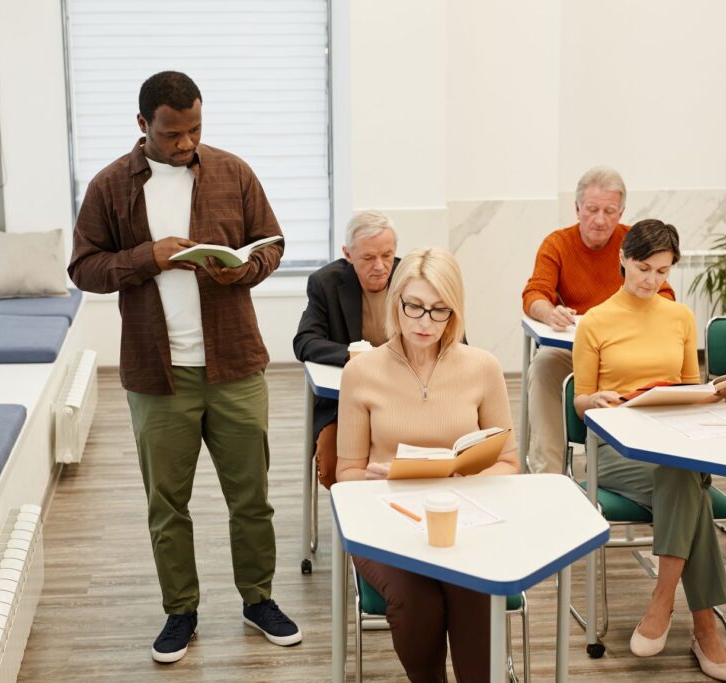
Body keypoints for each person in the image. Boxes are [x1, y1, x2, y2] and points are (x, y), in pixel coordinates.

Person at [67, 71, 300, 664]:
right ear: (144, 126)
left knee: (251, 496)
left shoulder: (233, 172)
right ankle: (181, 611)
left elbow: (271, 242)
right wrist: (147, 258)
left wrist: (241, 270)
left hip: (235, 366)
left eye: (195, 128)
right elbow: (84, 269)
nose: (186, 143)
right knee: (166, 503)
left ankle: (258, 600)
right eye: (173, 133)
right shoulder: (109, 187)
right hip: (156, 372)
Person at [336, 247, 518, 682]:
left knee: (476, 587)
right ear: (396, 301)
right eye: (414, 307)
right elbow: (345, 474)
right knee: (417, 602)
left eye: (439, 311)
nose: (425, 322)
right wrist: (377, 481)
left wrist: (453, 475)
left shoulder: (483, 367)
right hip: (386, 520)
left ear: (455, 312)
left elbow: (509, 462)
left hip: (462, 517)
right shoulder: (362, 372)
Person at [573, 220, 726, 682]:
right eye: (644, 268)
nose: (652, 280)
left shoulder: (680, 316)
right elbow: (580, 402)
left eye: (662, 271)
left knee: (678, 473)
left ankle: (662, 601)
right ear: (623, 258)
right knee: (689, 488)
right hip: (614, 448)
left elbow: (688, 387)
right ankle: (703, 628)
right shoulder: (596, 321)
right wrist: (595, 401)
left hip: (672, 443)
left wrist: (712, 393)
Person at [522, 166, 675, 474]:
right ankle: (549, 473)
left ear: (621, 212)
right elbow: (534, 294)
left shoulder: (633, 243)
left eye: (610, 210)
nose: (600, 219)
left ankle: (641, 464)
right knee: (543, 365)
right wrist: (549, 312)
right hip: (572, 349)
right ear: (577, 209)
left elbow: (667, 296)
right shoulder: (558, 244)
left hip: (625, 350)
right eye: (592, 209)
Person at [292, 210, 399, 488]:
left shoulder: (411, 277)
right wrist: (359, 357)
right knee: (332, 469)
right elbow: (305, 341)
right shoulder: (325, 283)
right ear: (348, 254)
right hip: (346, 402)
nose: (380, 266)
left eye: (387, 255)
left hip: (407, 398)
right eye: (368, 257)